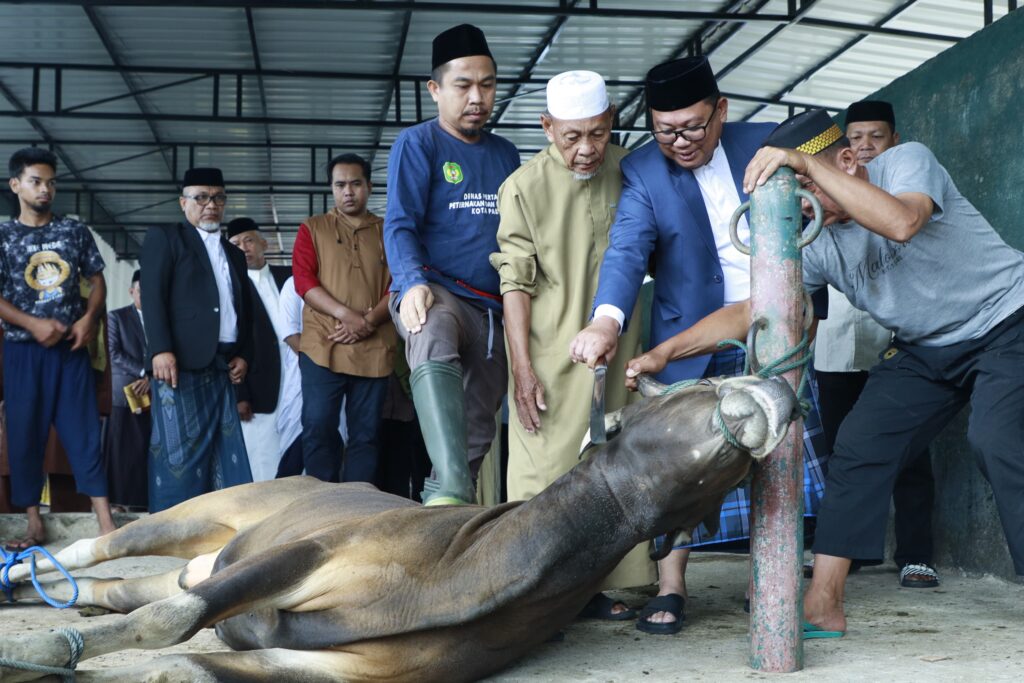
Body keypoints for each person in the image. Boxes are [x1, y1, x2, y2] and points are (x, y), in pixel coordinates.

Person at [636, 109, 1024, 635]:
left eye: (805, 183)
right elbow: (756, 308)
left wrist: (806, 165)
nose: (801, 203)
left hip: (1007, 318)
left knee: (996, 438)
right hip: (926, 349)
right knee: (859, 447)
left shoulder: (904, 163)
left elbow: (902, 222)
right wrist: (666, 353)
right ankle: (823, 604)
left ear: (845, 161)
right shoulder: (817, 241)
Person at [568, 57, 827, 635]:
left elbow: (829, 187)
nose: (680, 141)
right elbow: (627, 250)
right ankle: (672, 585)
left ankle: (775, 579)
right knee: (678, 466)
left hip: (775, 328)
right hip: (688, 339)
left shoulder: (766, 142)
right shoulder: (642, 172)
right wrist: (606, 320)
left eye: (692, 126)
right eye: (665, 130)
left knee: (779, 461)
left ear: (722, 112)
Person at [491, 70, 654, 617]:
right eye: (570, 137)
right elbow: (514, 282)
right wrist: (521, 368)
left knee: (615, 469)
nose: (586, 149)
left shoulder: (636, 169)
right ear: (546, 127)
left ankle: (596, 588)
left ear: (611, 122)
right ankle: (533, 598)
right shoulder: (522, 187)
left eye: (597, 134)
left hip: (621, 348)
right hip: (547, 355)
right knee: (546, 472)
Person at [384, 24, 520, 505]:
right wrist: (411, 282)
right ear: (436, 90)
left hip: (491, 311)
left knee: (480, 424)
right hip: (437, 289)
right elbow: (399, 222)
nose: (477, 97)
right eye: (463, 85)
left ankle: (444, 508)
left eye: (487, 84)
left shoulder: (506, 154)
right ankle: (449, 481)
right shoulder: (418, 145)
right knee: (431, 325)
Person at [814, 99, 939, 588]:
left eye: (877, 137)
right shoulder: (822, 214)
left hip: (896, 343)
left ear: (894, 139)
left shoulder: (904, 185)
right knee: (846, 451)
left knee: (909, 451)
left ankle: (915, 554)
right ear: (843, 148)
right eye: (857, 137)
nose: (865, 146)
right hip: (832, 347)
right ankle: (851, 553)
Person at [0, 146, 116, 548]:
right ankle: (33, 521)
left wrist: (88, 319)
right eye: (36, 181)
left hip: (69, 352)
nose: (45, 189)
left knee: (83, 432)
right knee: (24, 435)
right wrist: (32, 323)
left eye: (50, 182)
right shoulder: (4, 235)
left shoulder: (73, 231)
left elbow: (97, 281)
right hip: (22, 352)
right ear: (16, 185)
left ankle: (106, 522)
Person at [139, 167, 254, 512]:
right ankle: (171, 533)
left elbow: (242, 309)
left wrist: (243, 354)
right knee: (179, 458)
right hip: (179, 364)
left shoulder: (233, 253)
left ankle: (220, 531)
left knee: (226, 451)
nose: (210, 205)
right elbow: (153, 296)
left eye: (218, 197)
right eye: (201, 197)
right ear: (183, 202)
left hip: (222, 365)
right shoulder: (167, 237)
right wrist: (160, 349)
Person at [292, 154, 393, 483]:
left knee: (366, 435)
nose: (348, 191)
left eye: (355, 184)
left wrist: (369, 322)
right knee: (318, 426)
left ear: (368, 186)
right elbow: (303, 282)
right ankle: (321, 505)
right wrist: (347, 316)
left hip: (375, 346)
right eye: (340, 185)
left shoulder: (388, 230)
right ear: (331, 189)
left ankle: (356, 508)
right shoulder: (313, 228)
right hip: (324, 343)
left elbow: (402, 282)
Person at [227, 217, 301, 482]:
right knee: (261, 455)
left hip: (296, 377)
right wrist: (239, 394)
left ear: (263, 243)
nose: (243, 247)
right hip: (258, 385)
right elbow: (229, 345)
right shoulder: (230, 288)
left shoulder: (290, 277)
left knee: (298, 448)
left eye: (249, 240)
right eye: (235, 244)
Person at [103, 269, 150, 509]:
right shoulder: (116, 317)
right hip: (124, 395)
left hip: (152, 393)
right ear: (132, 292)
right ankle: (118, 501)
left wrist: (151, 377)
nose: (146, 295)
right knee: (121, 451)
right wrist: (144, 371)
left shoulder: (160, 320)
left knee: (146, 449)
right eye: (141, 291)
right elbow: (114, 353)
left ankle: (143, 501)